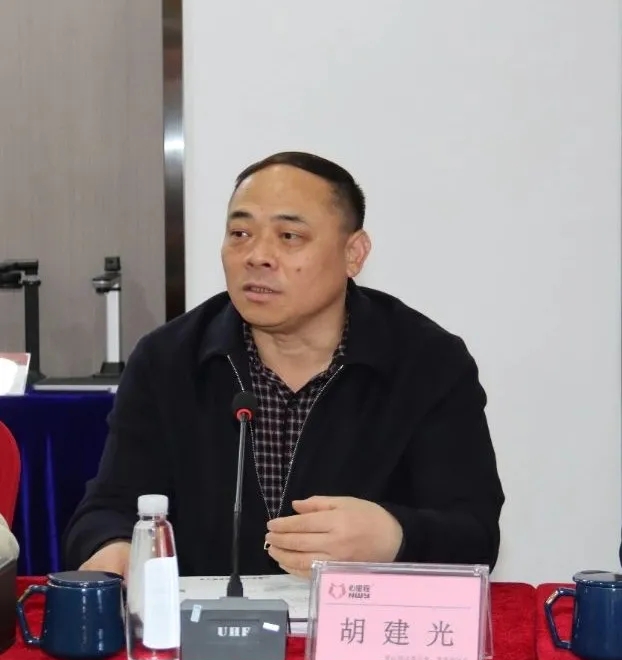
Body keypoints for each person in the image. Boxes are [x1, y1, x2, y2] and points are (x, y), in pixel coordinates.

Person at [63, 151, 505, 579]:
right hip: (206, 625)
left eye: (289, 236)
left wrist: (395, 537)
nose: (257, 256)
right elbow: (109, 509)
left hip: (357, 624)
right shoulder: (168, 359)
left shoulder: (426, 362)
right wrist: (114, 548)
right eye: (240, 233)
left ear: (354, 253)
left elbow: (474, 534)